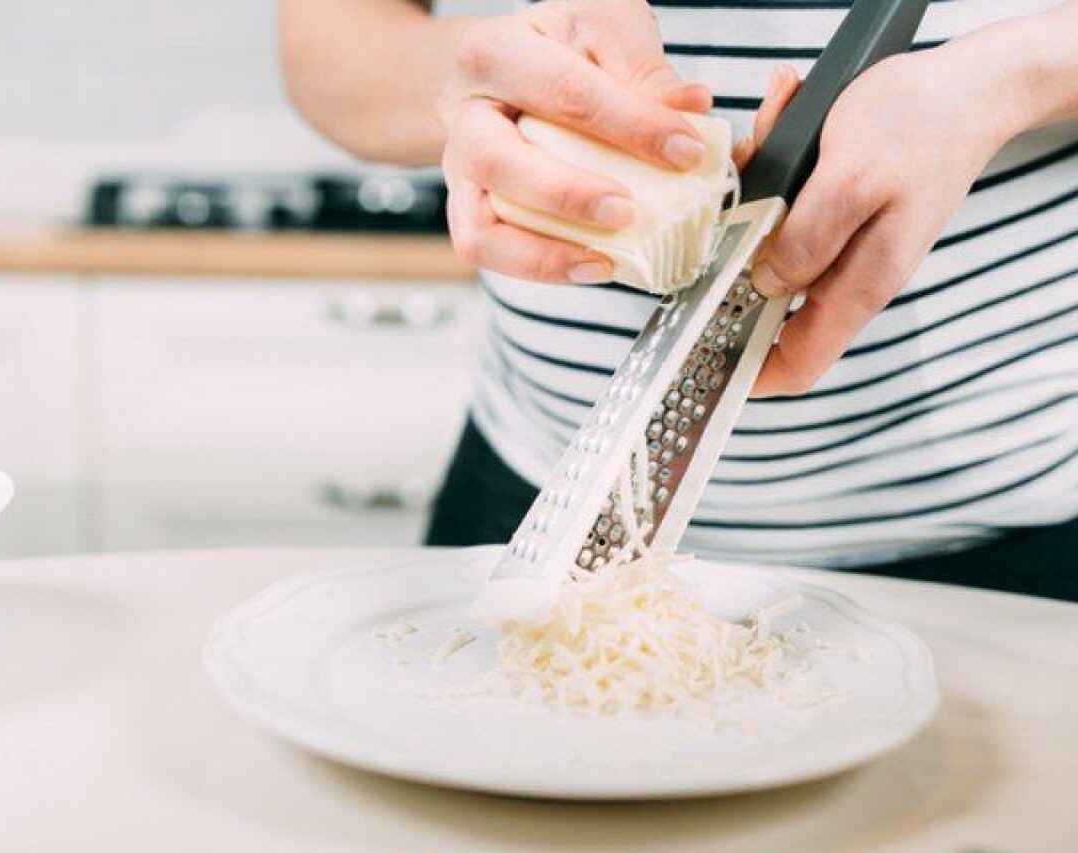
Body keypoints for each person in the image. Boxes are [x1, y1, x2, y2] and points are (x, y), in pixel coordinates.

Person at [279, 0, 1078, 601]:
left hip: (1008, 527)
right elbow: (332, 46)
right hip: (546, 496)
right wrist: (470, 73)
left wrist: (1012, 78)